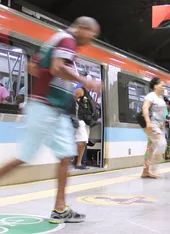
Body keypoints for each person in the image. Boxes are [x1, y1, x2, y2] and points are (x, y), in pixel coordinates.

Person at [0, 17, 101, 223]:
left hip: (51, 109)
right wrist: (84, 80)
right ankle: (60, 208)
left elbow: (32, 66)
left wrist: (50, 83)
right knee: (27, 156)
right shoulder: (67, 41)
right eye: (92, 36)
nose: (90, 42)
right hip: (47, 108)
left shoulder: (56, 39)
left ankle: (60, 208)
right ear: (82, 28)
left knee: (65, 155)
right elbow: (57, 68)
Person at [141, 77, 167, 179]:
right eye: (162, 85)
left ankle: (145, 171)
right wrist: (148, 122)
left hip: (159, 126)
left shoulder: (160, 98)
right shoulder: (151, 96)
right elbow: (145, 107)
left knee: (150, 149)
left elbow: (163, 112)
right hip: (152, 124)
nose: (163, 87)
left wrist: (164, 121)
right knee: (162, 144)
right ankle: (152, 168)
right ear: (155, 86)